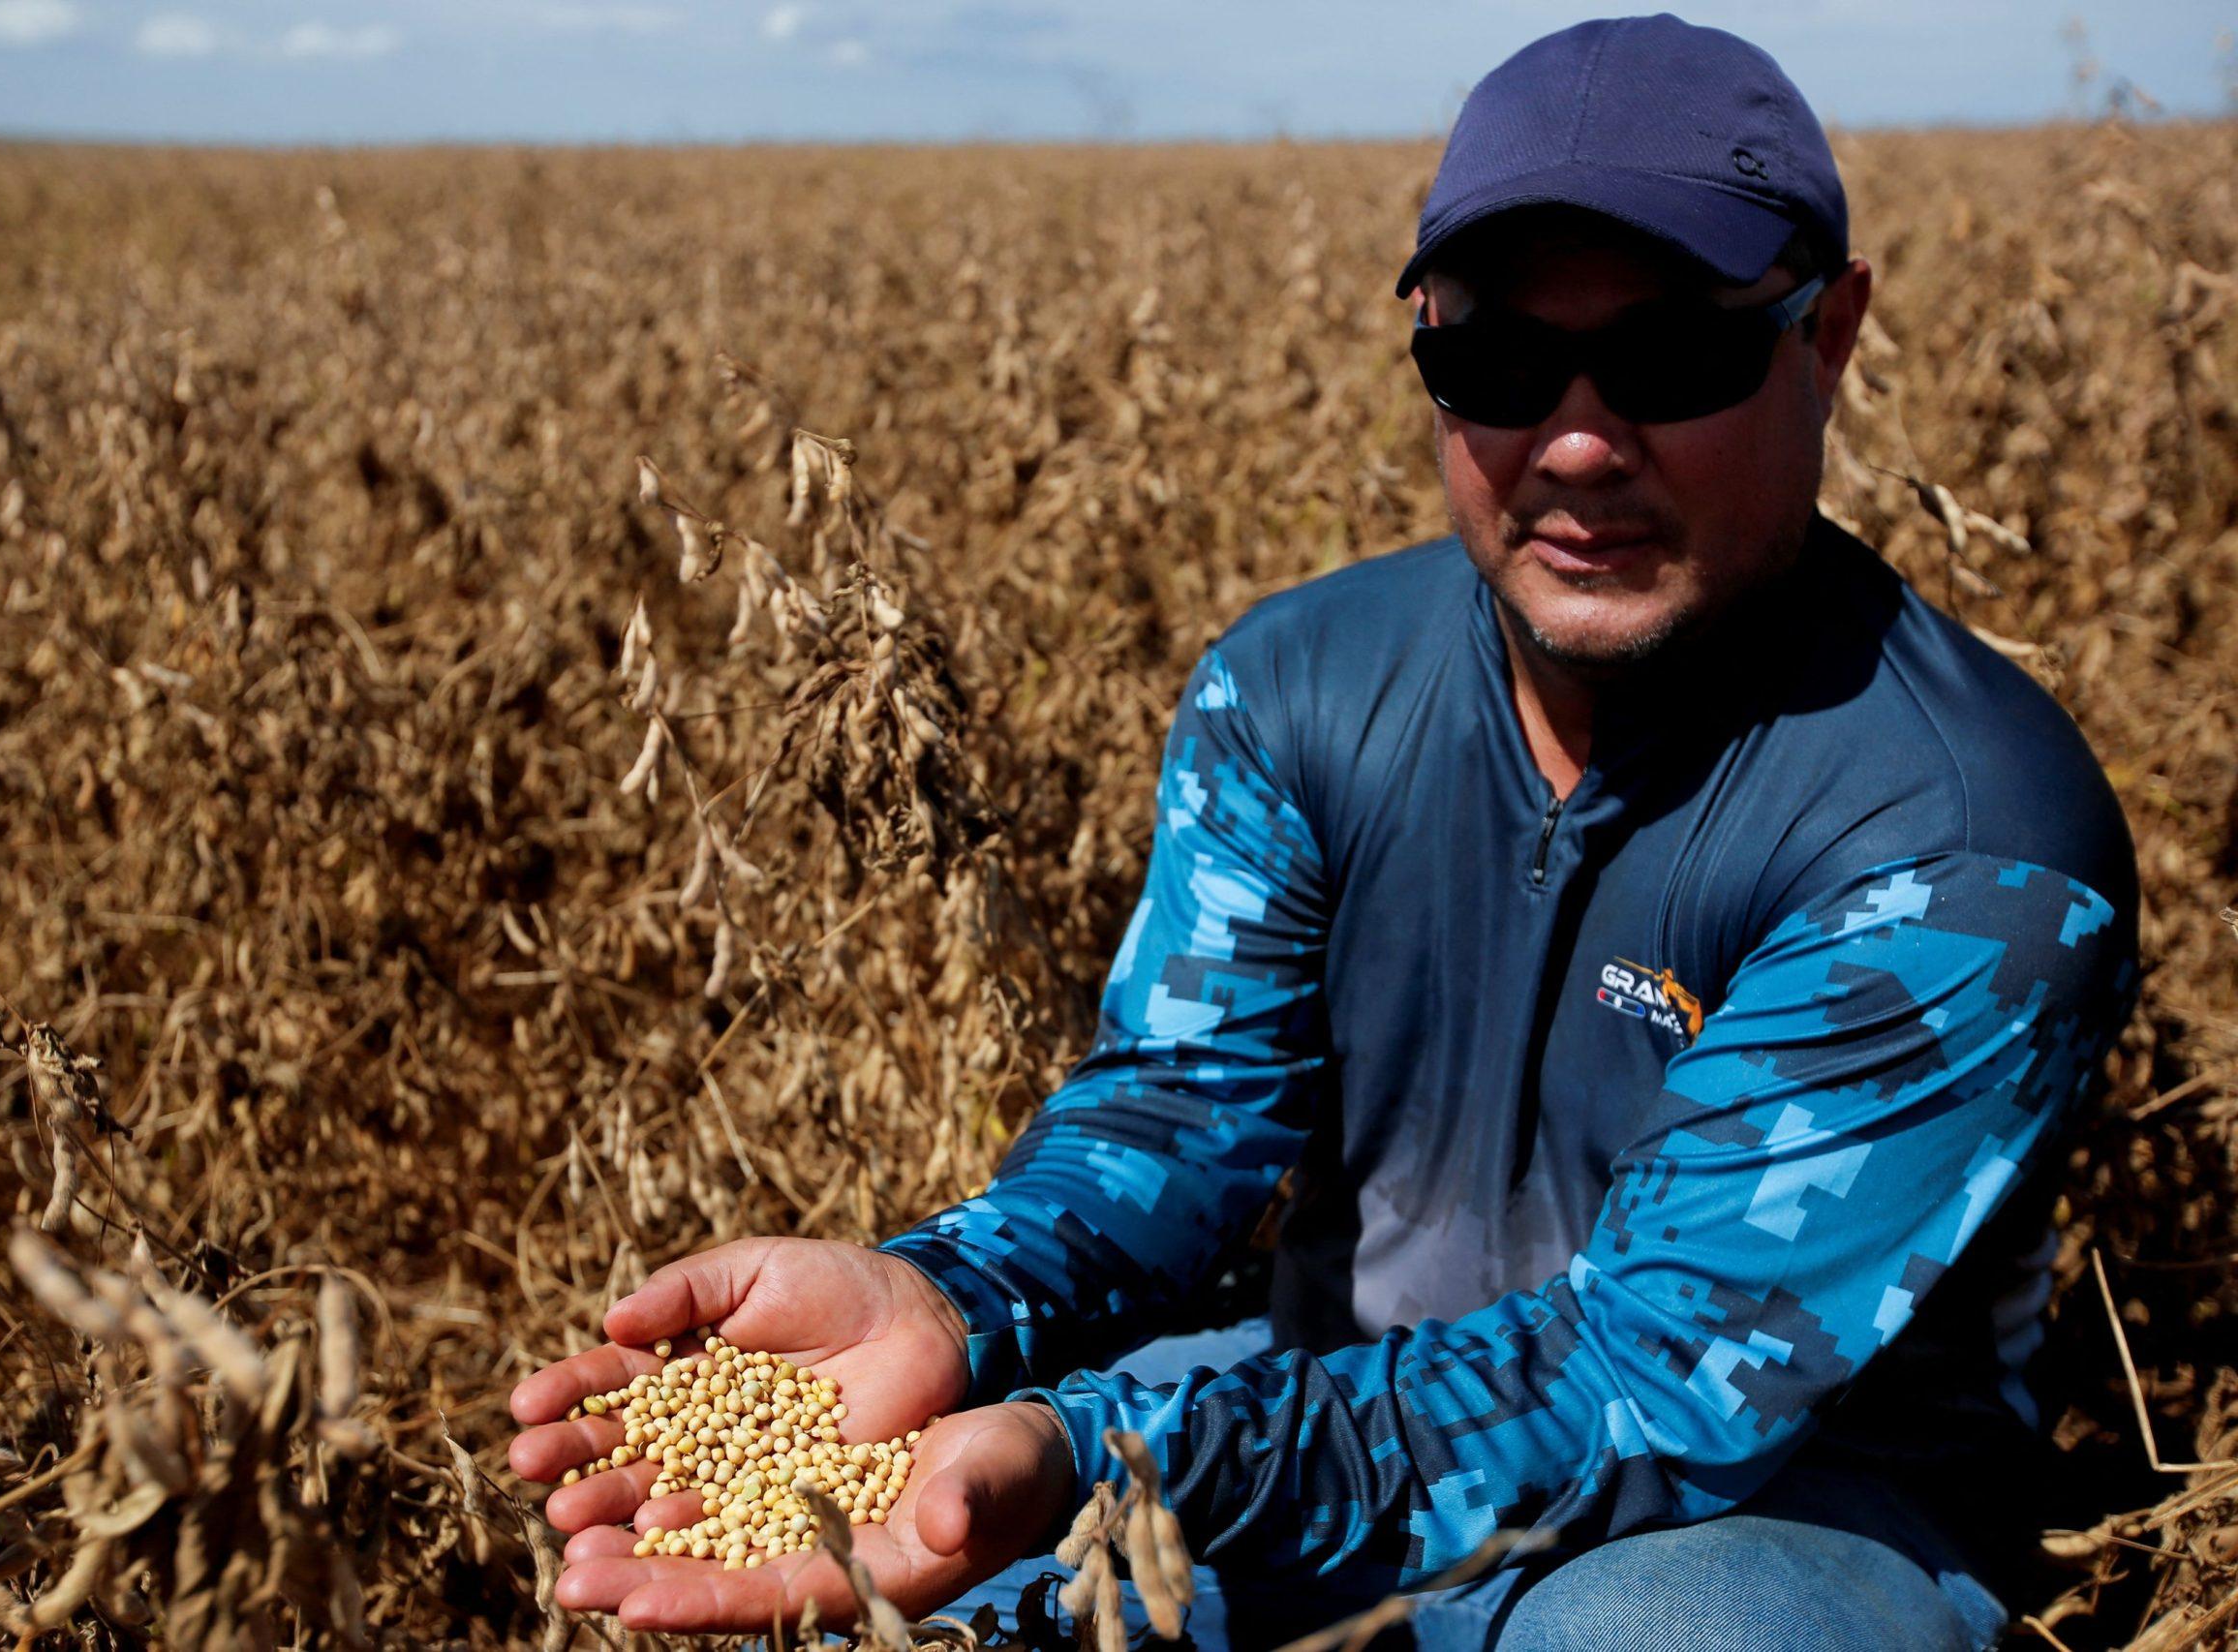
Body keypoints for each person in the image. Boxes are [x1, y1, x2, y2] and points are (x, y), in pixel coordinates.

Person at [508, 15, 2139, 1649]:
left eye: (1672, 358)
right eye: (1497, 360)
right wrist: (951, 1296)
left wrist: (1118, 1453)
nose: (1577, 440)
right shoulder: (1291, 689)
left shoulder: (1966, 849)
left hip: (1771, 1506)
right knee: (931, 1566)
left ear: (1830, 337)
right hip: (1327, 1403)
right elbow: (1181, 1106)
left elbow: (1650, 1382)